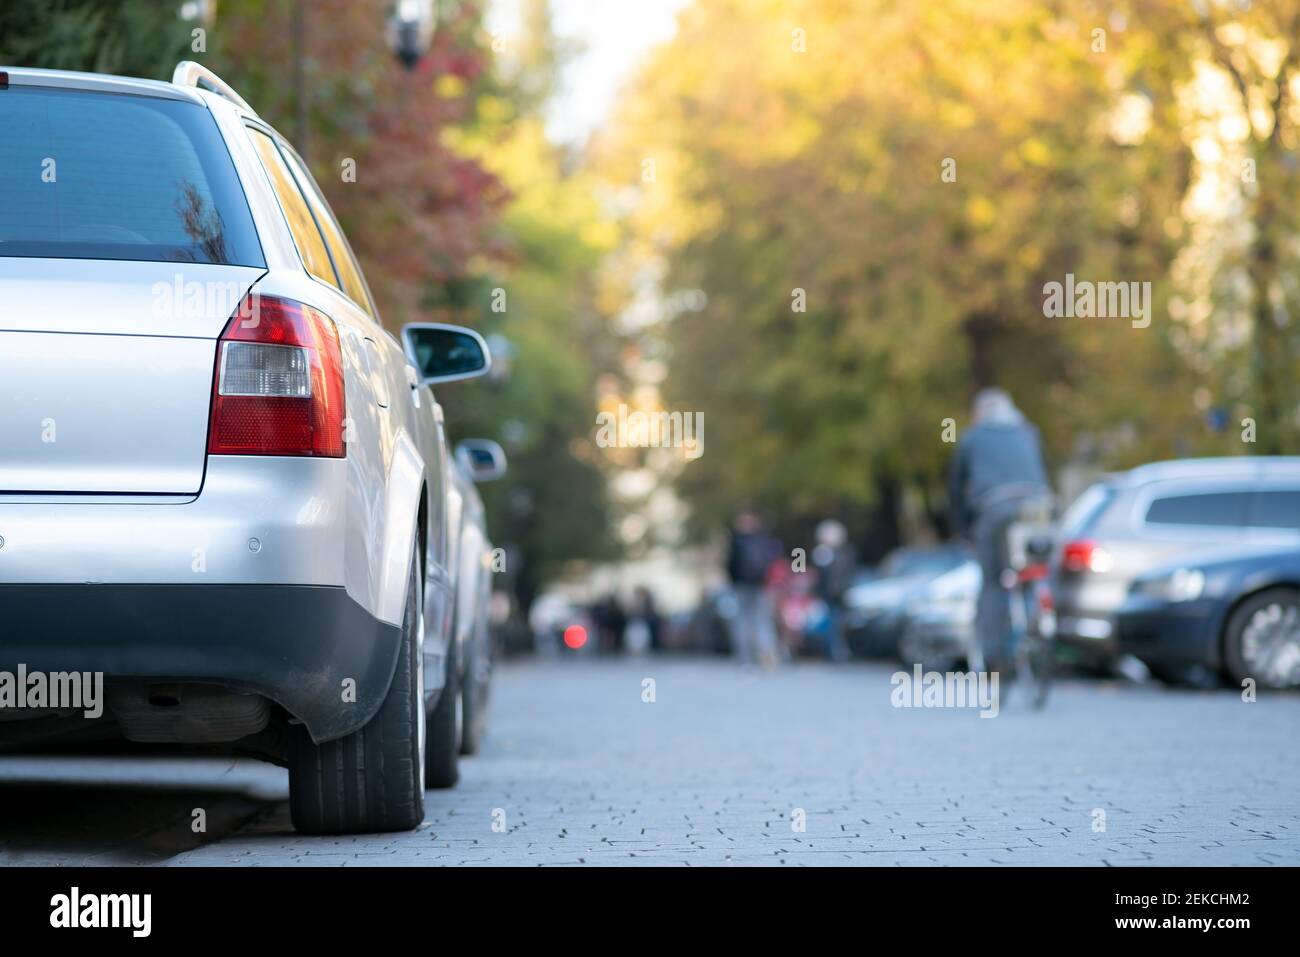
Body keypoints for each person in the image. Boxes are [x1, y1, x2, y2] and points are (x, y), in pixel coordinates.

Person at [947, 388, 1050, 674]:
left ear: (980, 413)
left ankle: (992, 658)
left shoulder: (971, 437)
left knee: (993, 581)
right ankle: (1037, 620)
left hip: (994, 509)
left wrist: (964, 531)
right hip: (1036, 507)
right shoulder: (1029, 431)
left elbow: (956, 490)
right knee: (1032, 568)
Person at [725, 511, 782, 668]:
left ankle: (745, 657)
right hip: (760, 585)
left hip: (741, 586)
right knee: (762, 620)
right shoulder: (763, 540)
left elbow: (730, 565)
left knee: (742, 620)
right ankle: (767, 654)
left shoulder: (736, 541)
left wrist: (733, 581)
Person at [811, 519, 856, 661]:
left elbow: (847, 573)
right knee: (831, 624)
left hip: (840, 594)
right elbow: (819, 574)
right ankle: (834, 651)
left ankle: (837, 651)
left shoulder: (845, 552)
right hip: (827, 595)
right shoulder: (822, 553)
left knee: (837, 624)